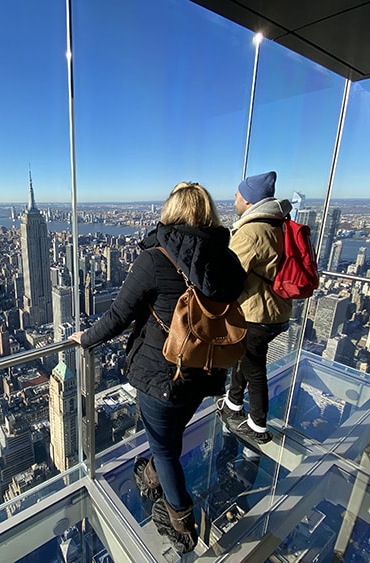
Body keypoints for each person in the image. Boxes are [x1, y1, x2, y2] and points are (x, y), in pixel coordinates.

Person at [70, 182, 245, 553]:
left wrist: (85, 339)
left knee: (165, 448)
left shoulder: (155, 257)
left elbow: (119, 315)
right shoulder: (225, 258)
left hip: (163, 372)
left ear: (171, 211)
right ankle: (152, 475)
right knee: (169, 437)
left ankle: (181, 523)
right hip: (207, 371)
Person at [219, 171, 292, 444]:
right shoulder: (278, 224)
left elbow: (228, 275)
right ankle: (233, 403)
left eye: (238, 195)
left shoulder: (252, 231)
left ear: (249, 200)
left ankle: (258, 425)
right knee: (245, 355)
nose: (234, 199)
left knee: (253, 365)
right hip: (277, 309)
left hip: (258, 313)